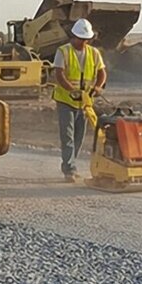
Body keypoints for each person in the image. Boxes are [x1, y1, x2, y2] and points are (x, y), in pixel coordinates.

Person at [50, 19, 106, 182]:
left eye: (85, 39)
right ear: (73, 37)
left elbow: (102, 73)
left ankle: (70, 164)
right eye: (80, 39)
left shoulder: (93, 53)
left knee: (79, 135)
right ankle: (69, 169)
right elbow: (59, 74)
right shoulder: (63, 51)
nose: (83, 42)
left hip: (84, 101)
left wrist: (97, 87)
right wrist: (72, 90)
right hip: (65, 100)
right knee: (67, 134)